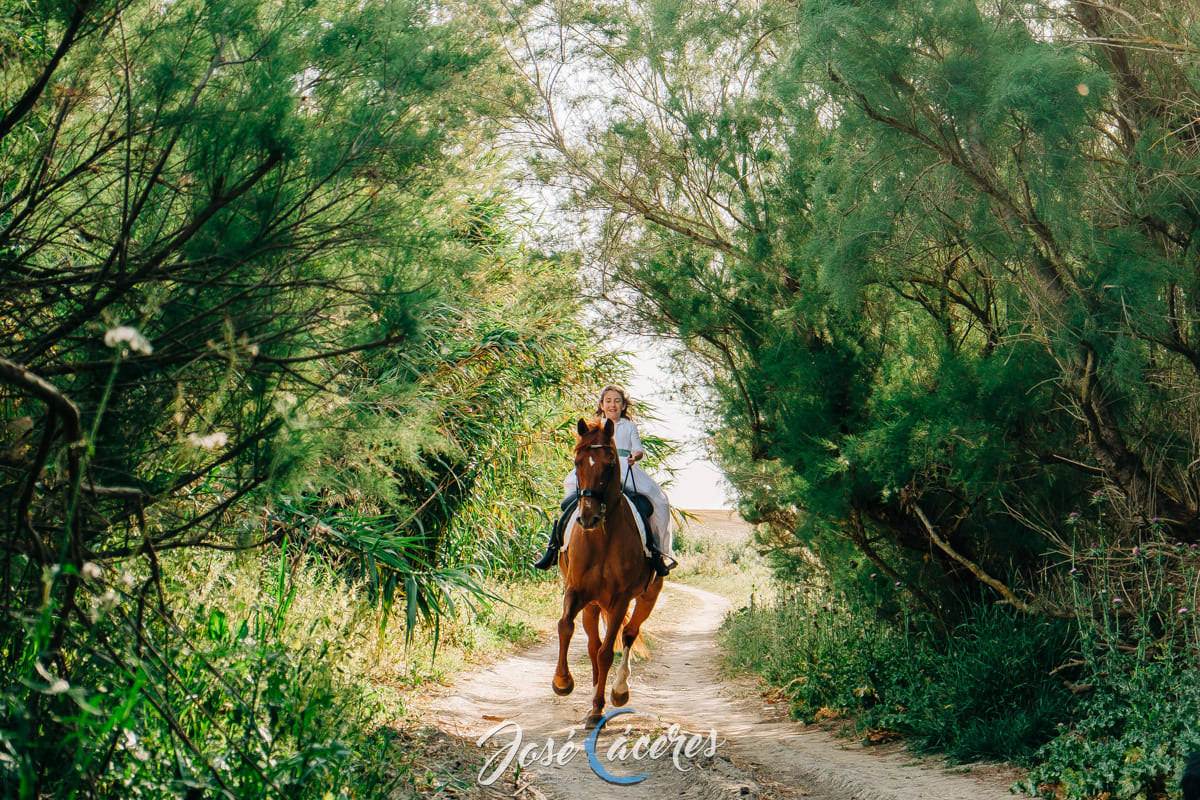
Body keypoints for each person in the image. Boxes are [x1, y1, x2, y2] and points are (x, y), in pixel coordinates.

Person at [533, 385, 676, 576]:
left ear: (624, 405)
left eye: (617, 401)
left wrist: (636, 457)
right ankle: (555, 547)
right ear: (601, 404)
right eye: (608, 401)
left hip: (625, 465)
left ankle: (660, 551)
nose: (612, 405)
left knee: (660, 500)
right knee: (570, 490)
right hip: (599, 468)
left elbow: (639, 449)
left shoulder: (629, 426)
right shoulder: (596, 425)